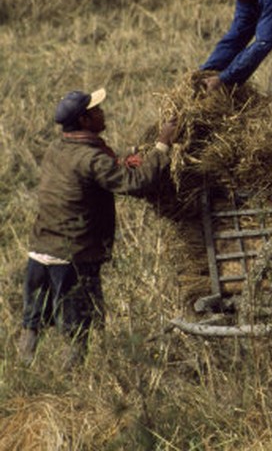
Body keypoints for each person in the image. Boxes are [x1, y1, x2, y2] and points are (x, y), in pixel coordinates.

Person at [19, 88, 178, 370]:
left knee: (33, 323)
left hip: (40, 252)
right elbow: (136, 184)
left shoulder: (58, 149)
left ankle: (24, 372)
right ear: (84, 120)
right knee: (78, 330)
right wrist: (162, 146)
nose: (102, 112)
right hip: (72, 258)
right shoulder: (92, 159)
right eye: (96, 110)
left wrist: (122, 159)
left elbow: (98, 168)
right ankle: (73, 390)